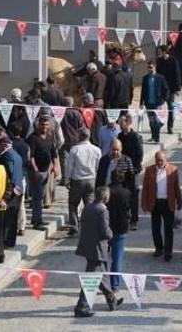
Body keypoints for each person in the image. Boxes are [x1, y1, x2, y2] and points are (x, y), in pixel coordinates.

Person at [73, 187, 124, 318]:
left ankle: (111, 299)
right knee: (91, 278)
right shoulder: (103, 211)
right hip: (97, 249)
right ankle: (81, 306)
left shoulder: (87, 207)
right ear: (106, 198)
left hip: (87, 247)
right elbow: (105, 231)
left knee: (101, 276)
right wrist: (112, 234)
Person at [141, 151, 182, 262]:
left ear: (166, 160)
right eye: (157, 160)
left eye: (161, 160)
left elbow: (176, 187)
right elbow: (145, 188)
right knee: (155, 228)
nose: (159, 163)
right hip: (155, 203)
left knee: (168, 229)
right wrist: (144, 204)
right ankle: (159, 248)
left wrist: (180, 202)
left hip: (168, 203)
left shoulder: (173, 170)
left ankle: (168, 252)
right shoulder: (149, 170)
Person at [65, 128, 101, 235]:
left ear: (79, 136)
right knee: (89, 205)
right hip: (91, 179)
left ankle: (74, 226)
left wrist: (67, 179)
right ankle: (89, 226)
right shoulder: (96, 150)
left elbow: (70, 166)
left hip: (77, 180)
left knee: (73, 204)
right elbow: (98, 166)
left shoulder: (74, 150)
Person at [26, 115, 59, 231]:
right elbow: (31, 156)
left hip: (46, 171)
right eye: (42, 124)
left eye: (46, 124)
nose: (44, 126)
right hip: (36, 172)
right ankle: (37, 221)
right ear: (38, 124)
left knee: (41, 196)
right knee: (37, 197)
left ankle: (36, 218)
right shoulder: (33, 138)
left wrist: (55, 166)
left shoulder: (50, 137)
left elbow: (54, 153)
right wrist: (35, 170)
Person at [0, 135, 24, 247]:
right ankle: (11, 240)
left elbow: (10, 172)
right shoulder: (17, 155)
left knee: (7, 217)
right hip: (19, 188)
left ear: (3, 145)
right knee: (13, 216)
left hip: (10, 190)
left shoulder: (6, 156)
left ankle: (6, 240)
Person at [117, 114, 143, 230]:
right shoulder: (120, 136)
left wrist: (135, 168)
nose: (119, 124)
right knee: (122, 195)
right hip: (122, 170)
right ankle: (124, 218)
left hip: (133, 171)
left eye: (121, 122)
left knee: (133, 195)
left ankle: (134, 220)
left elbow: (139, 154)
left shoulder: (135, 136)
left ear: (127, 123)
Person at [107, 170, 132, 291]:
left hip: (105, 227)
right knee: (117, 259)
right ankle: (115, 285)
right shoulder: (126, 193)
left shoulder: (105, 191)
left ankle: (99, 283)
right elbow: (129, 209)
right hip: (120, 229)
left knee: (100, 259)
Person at [139, 60, 170, 143]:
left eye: (151, 67)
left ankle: (157, 138)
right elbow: (143, 91)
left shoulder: (160, 78)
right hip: (148, 103)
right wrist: (141, 103)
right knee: (151, 121)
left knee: (156, 121)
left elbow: (166, 89)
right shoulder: (145, 78)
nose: (149, 69)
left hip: (157, 103)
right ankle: (153, 136)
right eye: (148, 67)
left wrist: (163, 100)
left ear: (154, 67)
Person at [155, 47, 180, 134]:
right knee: (158, 106)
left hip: (171, 88)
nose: (158, 53)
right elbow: (157, 73)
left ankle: (170, 127)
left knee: (170, 107)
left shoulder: (173, 60)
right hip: (161, 88)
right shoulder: (159, 60)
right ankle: (160, 122)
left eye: (160, 51)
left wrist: (177, 89)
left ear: (164, 51)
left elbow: (177, 74)